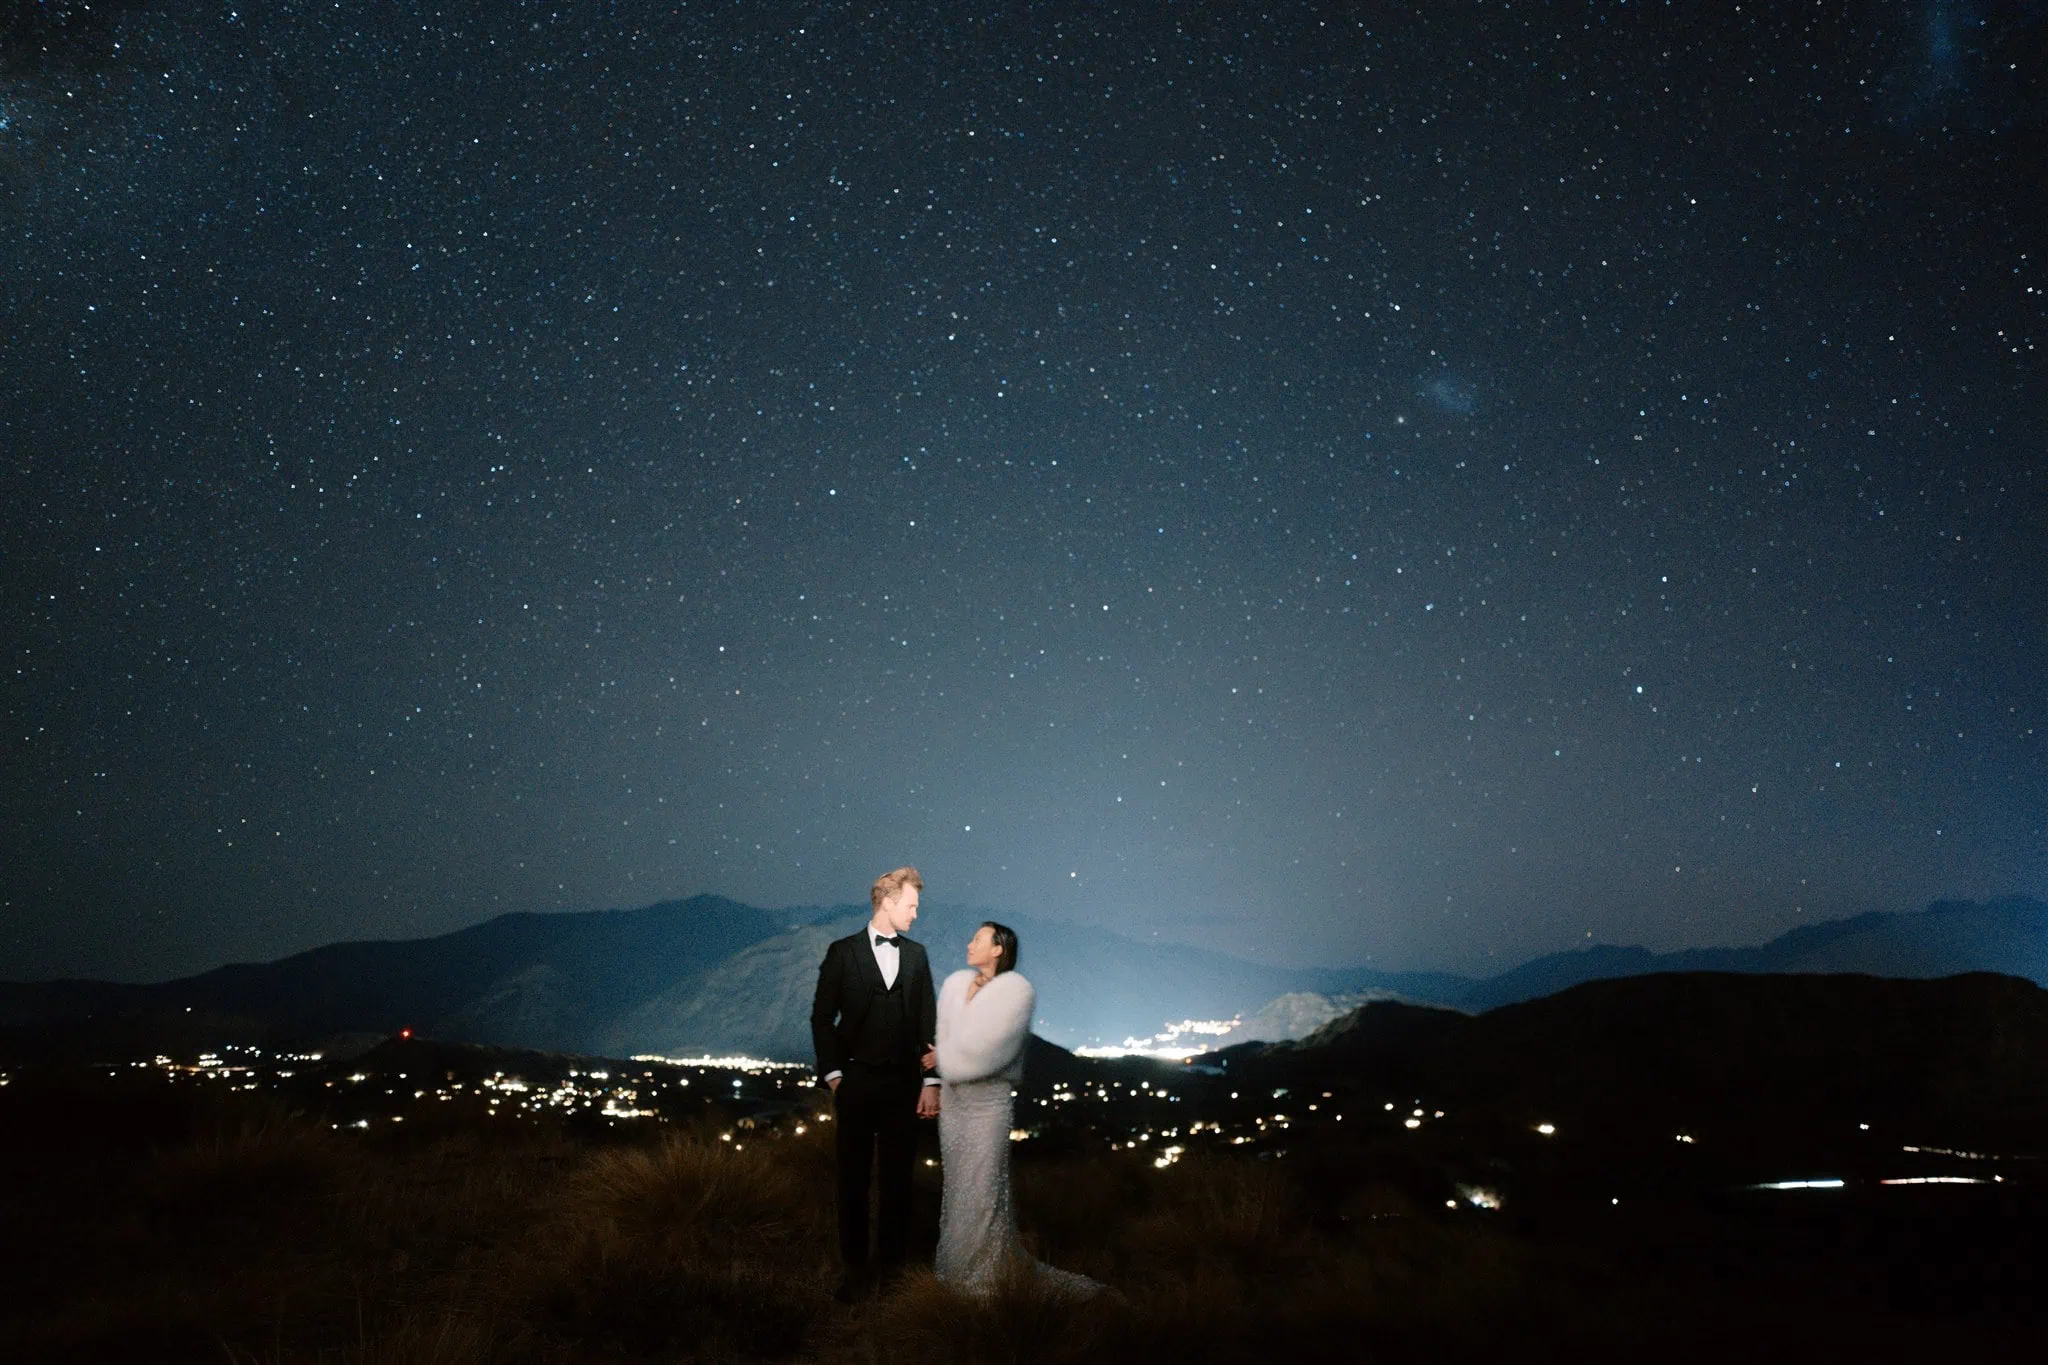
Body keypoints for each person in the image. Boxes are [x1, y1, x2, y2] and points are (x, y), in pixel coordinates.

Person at [934, 921, 1102, 1298]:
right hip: (954, 1105)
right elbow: (946, 1038)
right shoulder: (955, 987)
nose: (969, 943)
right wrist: (945, 1061)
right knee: (957, 1189)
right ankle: (956, 1270)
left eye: (978, 939)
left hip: (987, 1107)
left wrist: (944, 1058)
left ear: (998, 949)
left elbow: (994, 1049)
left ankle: (984, 1278)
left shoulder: (1015, 993)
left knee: (982, 1190)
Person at [811, 866, 941, 1301]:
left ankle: (891, 1277)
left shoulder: (918, 956)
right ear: (887, 902)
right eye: (911, 905)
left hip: (904, 1085)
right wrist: (834, 1076)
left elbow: (927, 1021)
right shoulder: (842, 952)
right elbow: (821, 1017)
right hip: (856, 1083)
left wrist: (931, 1080)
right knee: (852, 1182)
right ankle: (854, 1275)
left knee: (898, 1183)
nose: (916, 914)